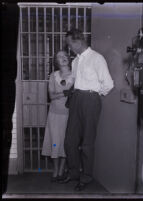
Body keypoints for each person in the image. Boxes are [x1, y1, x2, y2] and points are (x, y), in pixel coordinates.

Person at [58, 29, 114, 191]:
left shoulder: (97, 58)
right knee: (70, 140)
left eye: (69, 44)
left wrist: (93, 95)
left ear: (78, 42)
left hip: (90, 100)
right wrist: (65, 83)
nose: (69, 48)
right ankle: (74, 173)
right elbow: (74, 79)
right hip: (76, 99)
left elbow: (108, 84)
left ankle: (86, 177)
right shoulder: (75, 61)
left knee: (87, 142)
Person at [41, 50, 74, 182]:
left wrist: (64, 93)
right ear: (56, 62)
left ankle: (61, 170)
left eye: (65, 55)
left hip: (69, 116)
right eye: (59, 57)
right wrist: (65, 93)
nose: (63, 58)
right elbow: (51, 96)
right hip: (54, 115)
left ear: (69, 58)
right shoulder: (53, 76)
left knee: (65, 144)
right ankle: (55, 170)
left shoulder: (76, 75)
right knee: (55, 143)